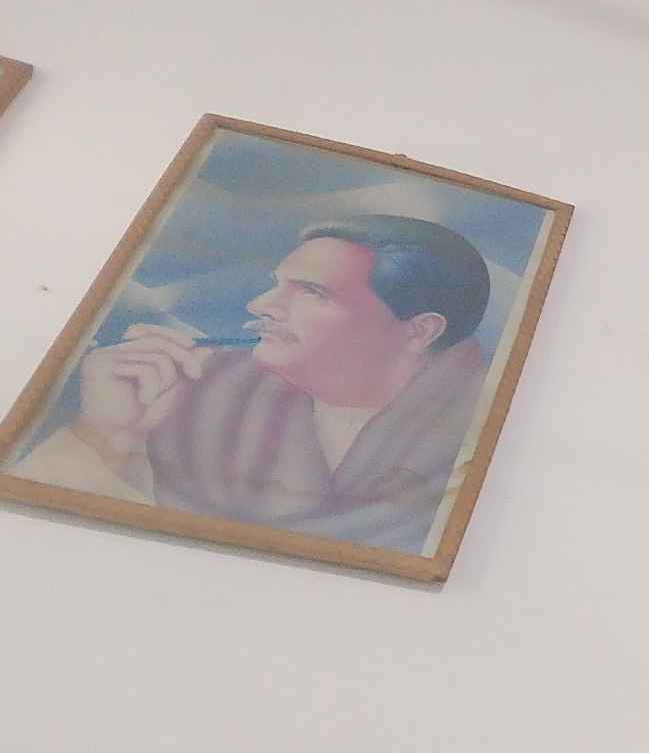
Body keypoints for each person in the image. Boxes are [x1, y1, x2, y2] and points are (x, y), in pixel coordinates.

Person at [13, 215, 493, 555]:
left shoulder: (484, 436)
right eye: (277, 284)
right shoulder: (195, 385)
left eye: (312, 292)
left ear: (419, 331)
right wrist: (105, 436)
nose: (262, 305)